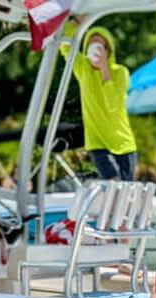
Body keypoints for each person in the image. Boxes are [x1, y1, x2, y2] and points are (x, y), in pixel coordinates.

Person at [61, 22, 137, 181]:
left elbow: (113, 106)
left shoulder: (120, 73)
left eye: (101, 47)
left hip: (123, 145)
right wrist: (77, 21)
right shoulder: (82, 68)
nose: (96, 50)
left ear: (109, 50)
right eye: (92, 45)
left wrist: (104, 69)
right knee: (113, 185)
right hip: (97, 144)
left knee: (124, 197)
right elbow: (65, 45)